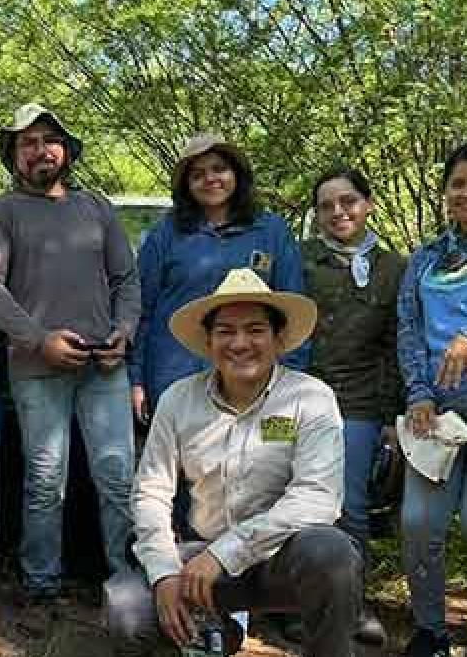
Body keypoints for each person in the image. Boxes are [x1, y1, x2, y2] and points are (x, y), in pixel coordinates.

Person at [102, 268, 362, 657]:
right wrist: (164, 573)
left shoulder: (310, 398)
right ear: (208, 342)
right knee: (126, 607)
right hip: (201, 557)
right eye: (225, 331)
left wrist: (225, 554)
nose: (240, 343)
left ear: (278, 339)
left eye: (256, 330)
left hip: (283, 559)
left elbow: (317, 499)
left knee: (333, 554)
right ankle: (214, 635)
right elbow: (151, 492)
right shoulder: (178, 400)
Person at [0, 103, 140, 600]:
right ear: (14, 155)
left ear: (65, 150)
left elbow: (126, 279)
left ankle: (125, 580)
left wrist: (124, 332)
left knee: (117, 476)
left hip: (103, 364)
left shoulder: (97, 208)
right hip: (36, 366)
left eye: (49, 139)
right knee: (46, 480)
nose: (40, 150)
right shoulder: (1, 211)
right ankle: (40, 584)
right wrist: (37, 339)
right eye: (27, 142)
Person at [397, 140, 467, 657]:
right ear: (444, 193)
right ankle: (430, 631)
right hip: (436, 410)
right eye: (458, 183)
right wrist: (419, 391)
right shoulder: (426, 257)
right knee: (420, 522)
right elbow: (409, 328)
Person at [130, 132, 305, 426]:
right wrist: (136, 380)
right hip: (175, 374)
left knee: (263, 461)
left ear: (236, 173)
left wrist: (289, 377)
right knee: (180, 465)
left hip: (254, 374)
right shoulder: (164, 235)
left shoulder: (272, 231)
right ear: (186, 185)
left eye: (219, 169)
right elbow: (142, 311)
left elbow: (293, 310)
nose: (210, 179)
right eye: (198, 174)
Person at [302, 166, 404, 646]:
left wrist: (389, 417)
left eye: (348, 201)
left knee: (350, 507)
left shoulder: (393, 268)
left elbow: (395, 346)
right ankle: (293, 602)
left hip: (359, 405)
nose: (338, 212)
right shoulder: (301, 261)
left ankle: (352, 603)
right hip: (298, 402)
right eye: (326, 205)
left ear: (367, 204)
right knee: (289, 498)